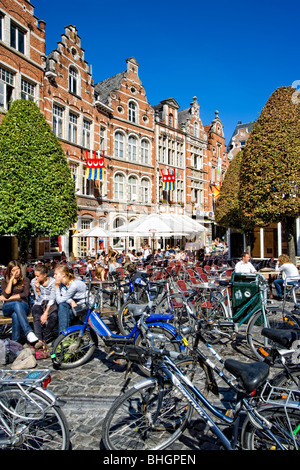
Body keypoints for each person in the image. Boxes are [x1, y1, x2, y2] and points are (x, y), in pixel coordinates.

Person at [0, 260, 39, 345]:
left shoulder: (25, 280)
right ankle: (28, 332)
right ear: (9, 271)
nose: (16, 272)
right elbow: (6, 294)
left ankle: (15, 343)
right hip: (8, 307)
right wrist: (10, 281)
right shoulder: (4, 282)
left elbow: (24, 294)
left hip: (23, 305)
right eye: (13, 270)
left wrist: (9, 298)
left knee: (15, 314)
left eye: (17, 269)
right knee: (16, 305)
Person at [54, 265, 87, 333]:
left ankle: (63, 335)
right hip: (75, 305)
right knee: (62, 306)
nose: (54, 276)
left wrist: (56, 287)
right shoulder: (63, 285)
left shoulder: (73, 285)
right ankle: (64, 335)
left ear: (63, 275)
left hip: (85, 305)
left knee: (64, 313)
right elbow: (64, 297)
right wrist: (71, 301)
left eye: (56, 274)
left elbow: (60, 300)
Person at [31, 264, 58, 345]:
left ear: (45, 275)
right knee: (36, 315)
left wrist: (46, 313)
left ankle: (45, 337)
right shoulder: (34, 282)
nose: (36, 278)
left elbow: (52, 298)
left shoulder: (53, 282)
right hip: (40, 302)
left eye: (38, 276)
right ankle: (39, 339)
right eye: (35, 276)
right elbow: (38, 298)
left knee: (54, 316)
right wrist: (37, 288)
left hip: (50, 303)